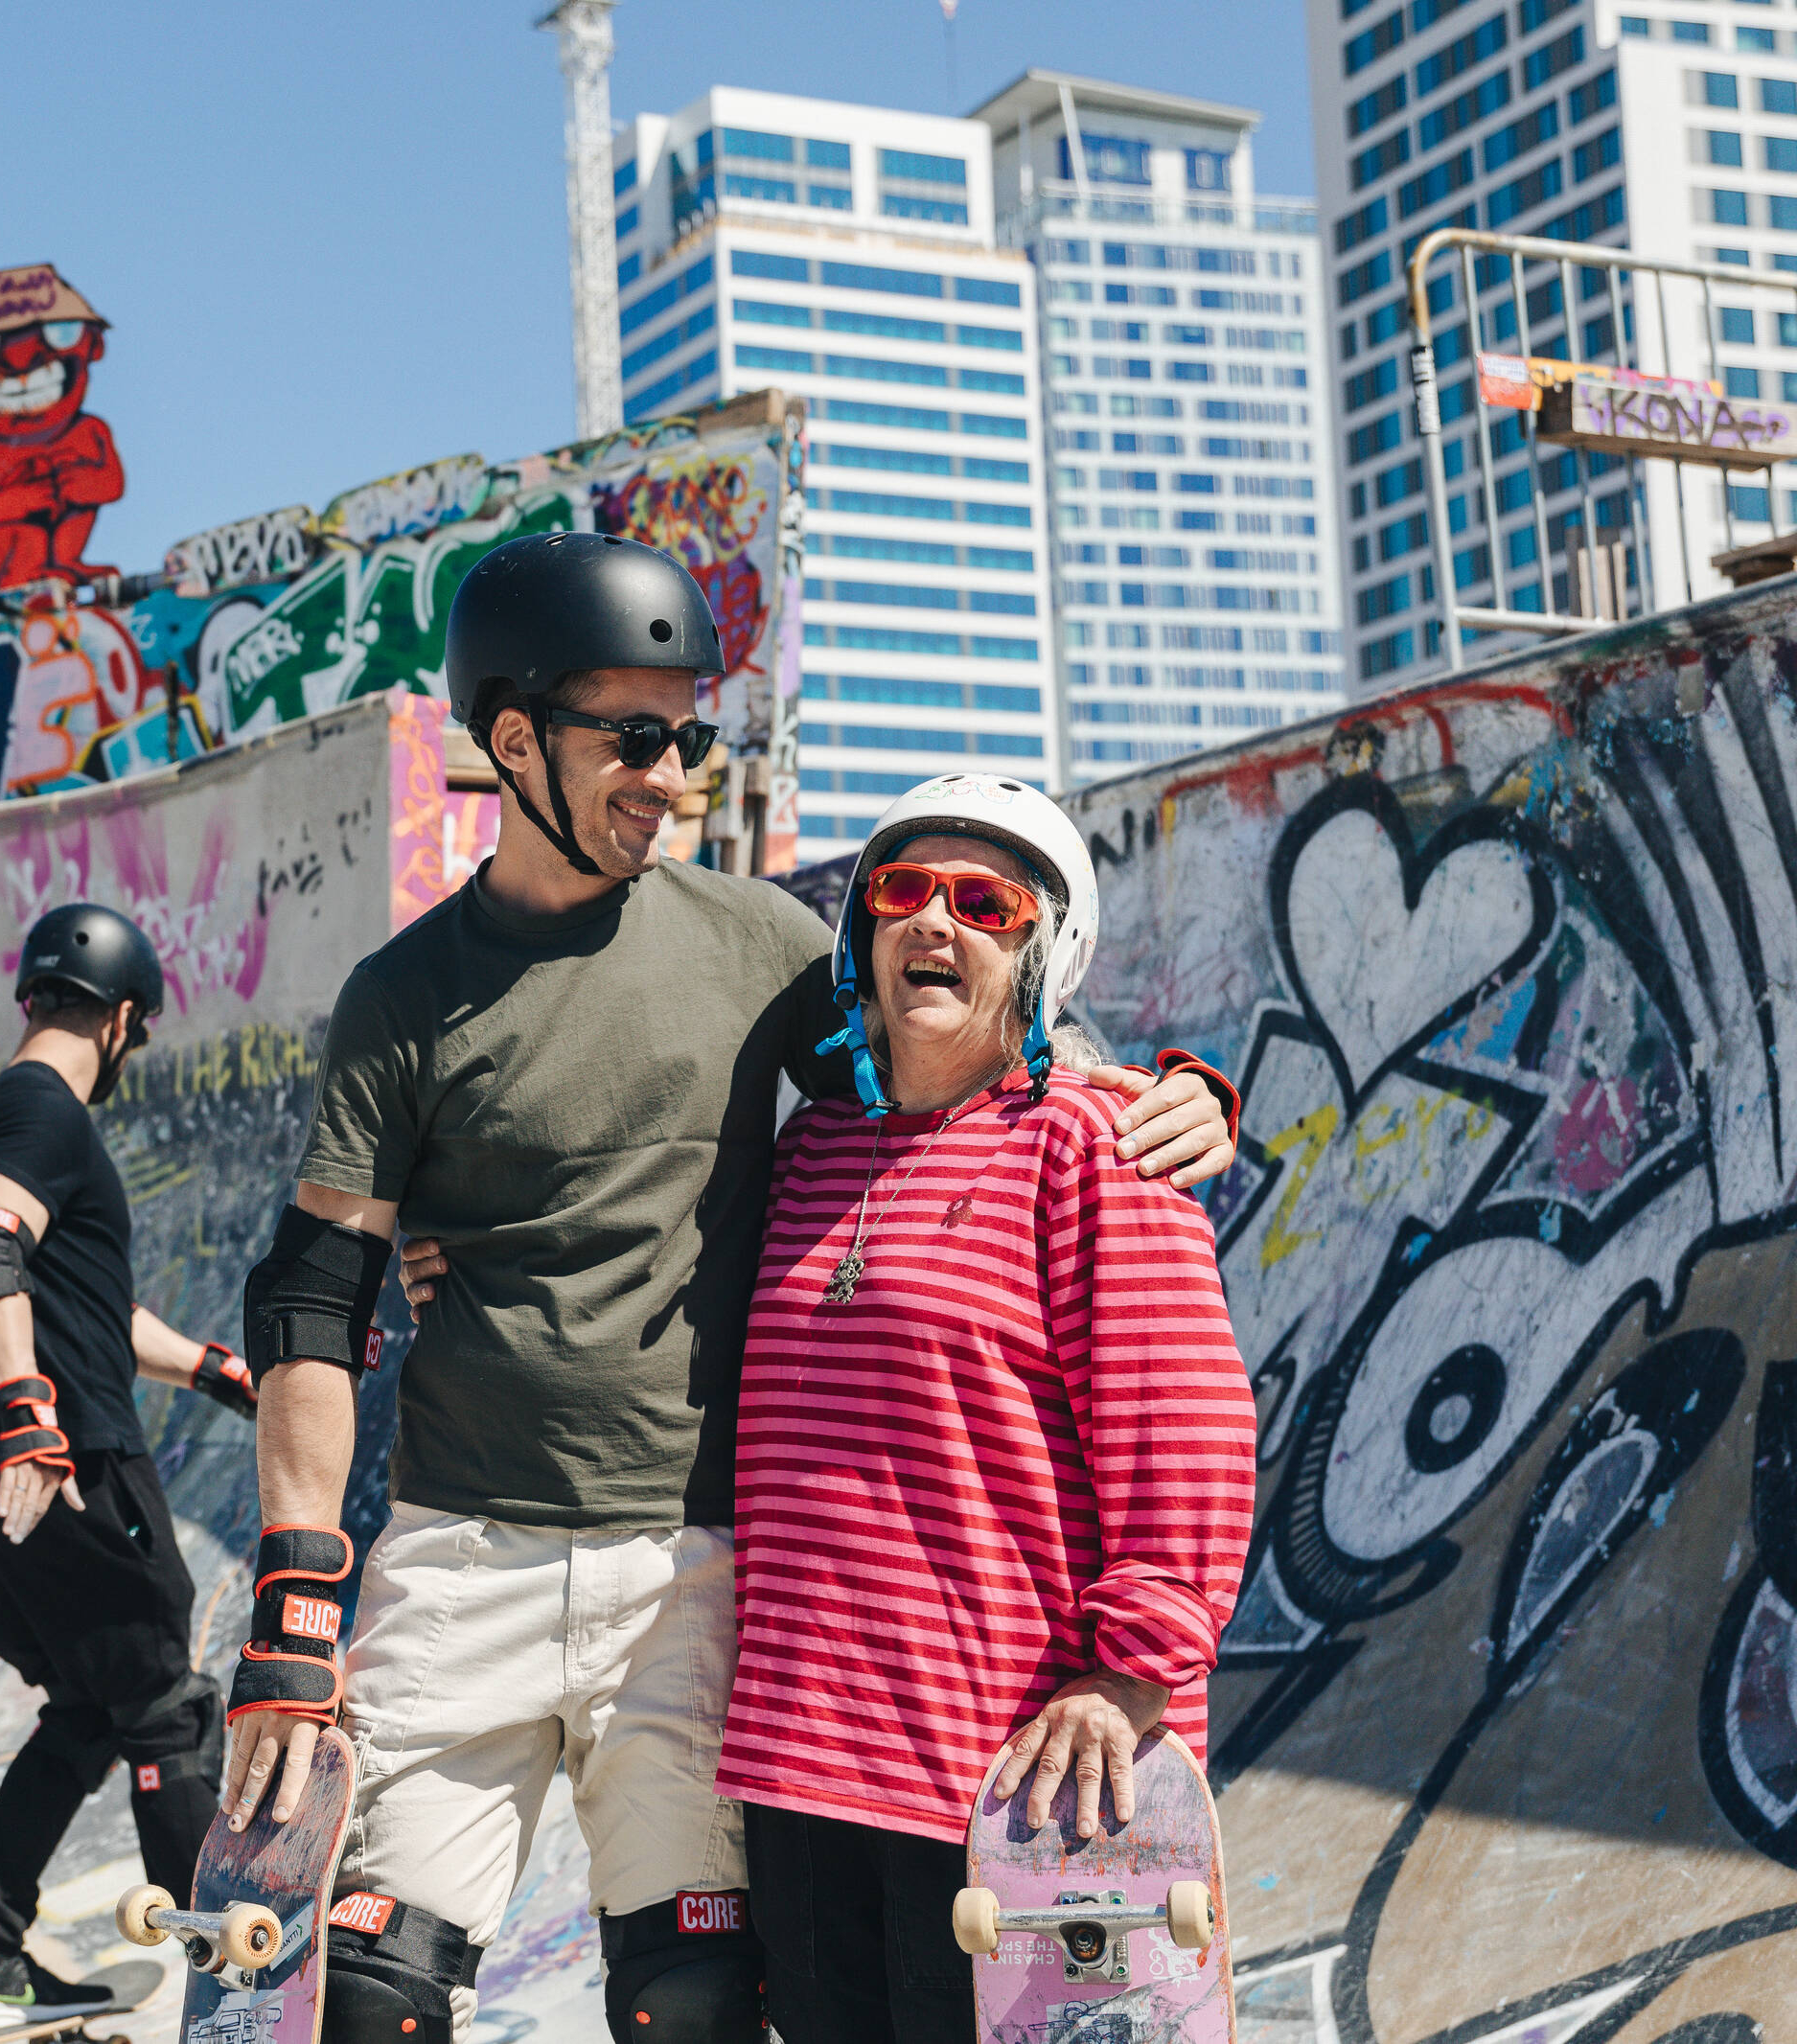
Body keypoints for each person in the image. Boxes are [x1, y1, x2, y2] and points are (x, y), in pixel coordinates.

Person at [217, 532, 1241, 2044]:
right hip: (473, 1553)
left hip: (688, 1575)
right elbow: (315, 1292)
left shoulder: (763, 949)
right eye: (634, 739)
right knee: (375, 2004)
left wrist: (1179, 1092)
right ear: (515, 740)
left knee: (692, 2007)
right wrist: (296, 1599)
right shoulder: (405, 996)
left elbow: (964, 1056)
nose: (673, 776)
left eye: (688, 740)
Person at [716, 773, 1258, 2044]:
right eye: (903, 892)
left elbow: (1183, 1425)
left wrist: (1132, 1673)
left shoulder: (1095, 1144)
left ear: (1042, 950)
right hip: (798, 1767)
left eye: (983, 903)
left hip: (1003, 1784)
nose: (931, 921)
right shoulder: (810, 1152)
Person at [0, 903, 264, 2033]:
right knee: (163, 1703)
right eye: (138, 1033)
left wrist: (212, 1370)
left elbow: (72, 1303)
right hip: (67, 1465)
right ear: (120, 1020)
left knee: (84, 1709)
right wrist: (31, 1411)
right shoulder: (42, 1114)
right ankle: (231, 1994)